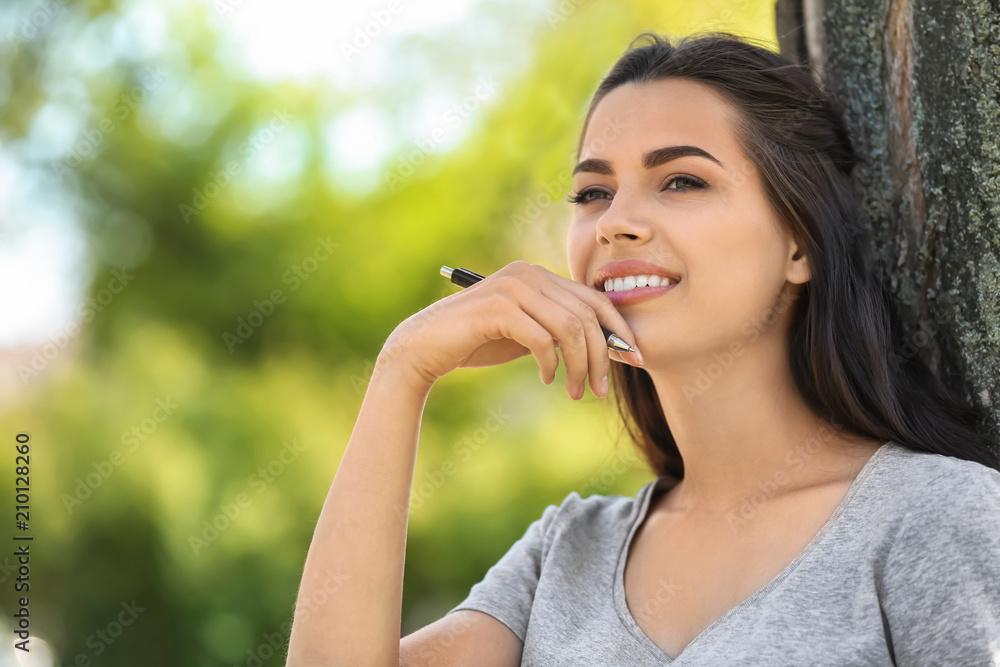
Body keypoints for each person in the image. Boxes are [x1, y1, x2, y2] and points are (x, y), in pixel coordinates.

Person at [285, 31, 1000, 666]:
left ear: (801, 241)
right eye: (593, 193)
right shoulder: (566, 552)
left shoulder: (936, 517)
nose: (616, 222)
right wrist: (402, 369)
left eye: (682, 180)